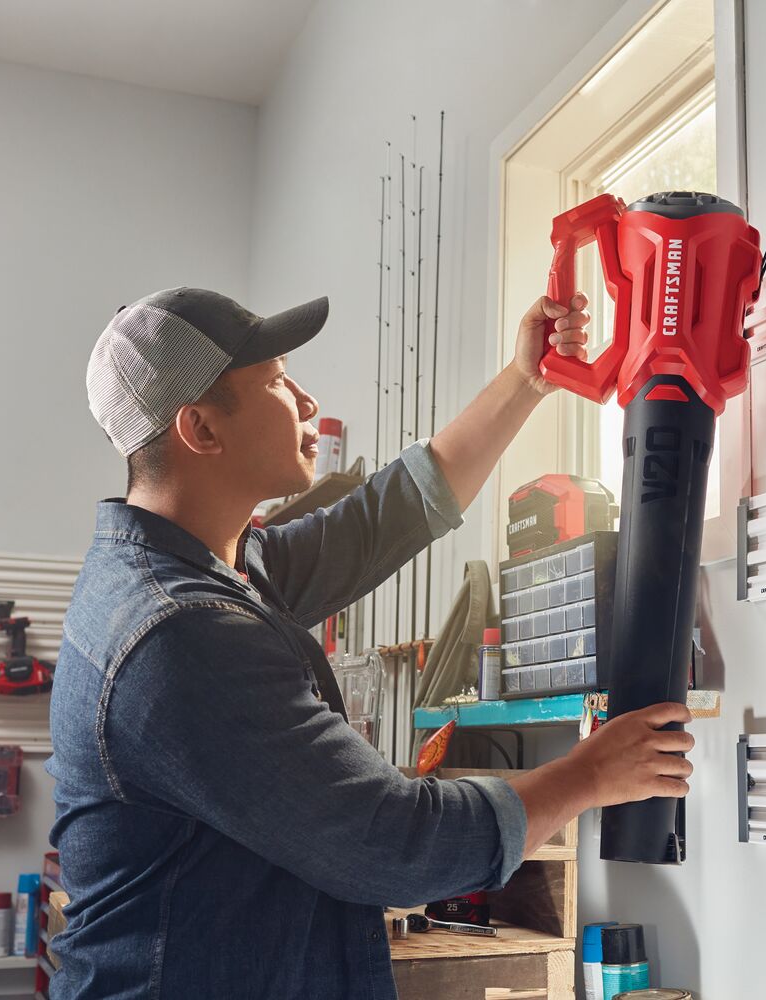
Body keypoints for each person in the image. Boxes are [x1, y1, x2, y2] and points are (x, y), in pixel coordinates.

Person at [46, 286, 693, 999]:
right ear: (200, 429)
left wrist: (525, 380)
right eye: (274, 382)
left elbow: (384, 518)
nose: (305, 400)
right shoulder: (179, 634)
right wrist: (590, 774)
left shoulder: (211, 562)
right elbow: (395, 845)